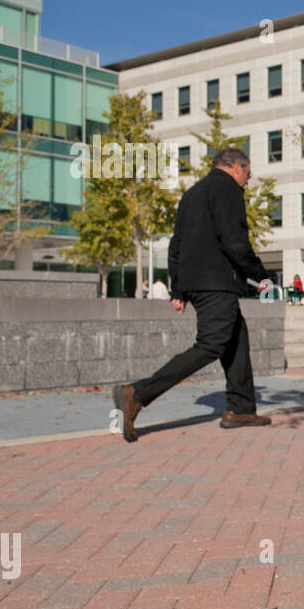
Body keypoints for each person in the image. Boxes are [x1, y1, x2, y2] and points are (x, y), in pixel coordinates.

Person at [111, 148, 273, 443]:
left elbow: (177, 245)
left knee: (236, 338)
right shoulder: (228, 189)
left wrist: (179, 289)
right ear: (237, 167)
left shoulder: (192, 194)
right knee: (211, 344)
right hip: (216, 282)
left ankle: (241, 408)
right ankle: (137, 394)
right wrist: (259, 275)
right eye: (248, 175)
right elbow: (234, 239)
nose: (247, 181)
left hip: (198, 283)